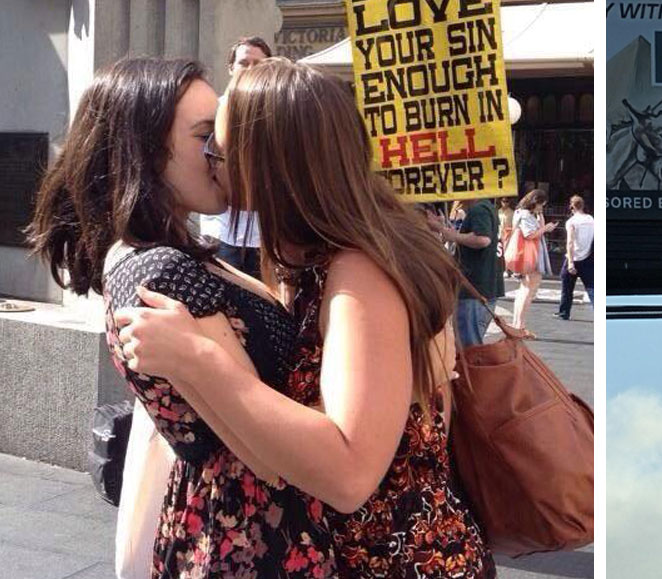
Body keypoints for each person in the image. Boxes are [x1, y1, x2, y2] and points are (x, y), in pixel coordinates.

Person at [113, 58, 496, 578]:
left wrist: (200, 359)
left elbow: (349, 472)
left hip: (394, 560)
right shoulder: (313, 255)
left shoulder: (359, 272)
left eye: (220, 146)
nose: (213, 160)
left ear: (270, 162)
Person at [26, 58, 337, 577]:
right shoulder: (162, 271)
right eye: (203, 135)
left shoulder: (165, 254)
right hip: (260, 541)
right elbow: (264, 450)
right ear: (145, 152)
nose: (223, 150)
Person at [198, 36, 271, 278]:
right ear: (231, 67)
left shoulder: (276, 116)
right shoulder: (211, 111)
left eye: (258, 64)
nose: (250, 70)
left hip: (265, 235)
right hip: (220, 232)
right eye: (244, 63)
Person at [436, 199, 502, 348]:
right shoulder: (485, 208)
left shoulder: (479, 209)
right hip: (479, 288)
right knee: (468, 343)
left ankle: (470, 372)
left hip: (473, 289)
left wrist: (454, 237)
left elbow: (483, 239)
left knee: (468, 347)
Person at [510, 189, 556, 337]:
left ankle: (518, 324)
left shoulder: (521, 213)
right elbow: (530, 234)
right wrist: (545, 228)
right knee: (529, 290)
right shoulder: (525, 215)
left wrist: (540, 217)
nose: (542, 208)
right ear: (535, 202)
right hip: (531, 255)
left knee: (525, 289)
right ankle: (520, 325)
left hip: (528, 254)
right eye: (541, 205)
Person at [555, 195, 595, 320]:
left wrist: (571, 263)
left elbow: (570, 242)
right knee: (592, 288)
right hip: (587, 257)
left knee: (567, 288)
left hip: (573, 258)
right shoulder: (591, 219)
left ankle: (564, 312)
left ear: (571, 207)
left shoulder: (571, 222)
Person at [497, 197, 515, 277]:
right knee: (499, 253)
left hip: (509, 234)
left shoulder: (512, 212)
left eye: (507, 201)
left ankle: (508, 270)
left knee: (508, 253)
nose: (505, 203)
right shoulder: (498, 212)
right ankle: (500, 269)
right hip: (499, 234)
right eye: (503, 201)